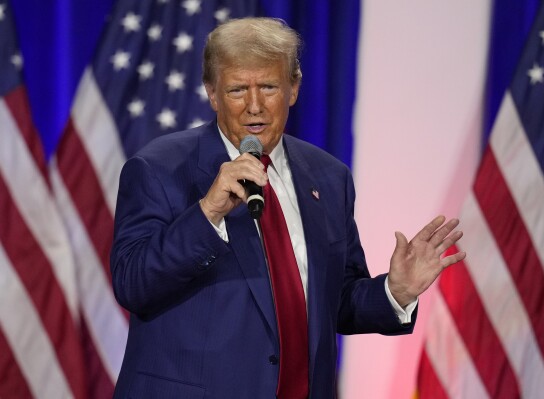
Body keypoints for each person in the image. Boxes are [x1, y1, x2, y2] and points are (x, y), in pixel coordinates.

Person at [110, 17, 466, 399]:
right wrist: (207, 213)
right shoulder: (159, 169)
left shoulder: (329, 178)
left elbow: (337, 300)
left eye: (268, 86)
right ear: (212, 94)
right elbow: (132, 284)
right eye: (236, 90)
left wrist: (394, 291)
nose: (254, 106)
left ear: (293, 88)